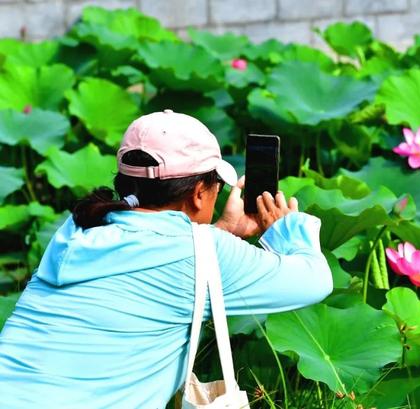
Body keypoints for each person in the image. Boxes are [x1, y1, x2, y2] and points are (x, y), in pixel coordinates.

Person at [0, 110, 333, 408]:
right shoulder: (205, 250)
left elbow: (161, 265)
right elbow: (314, 281)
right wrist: (285, 228)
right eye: (216, 183)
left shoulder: (77, 231)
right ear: (199, 191)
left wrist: (224, 232)